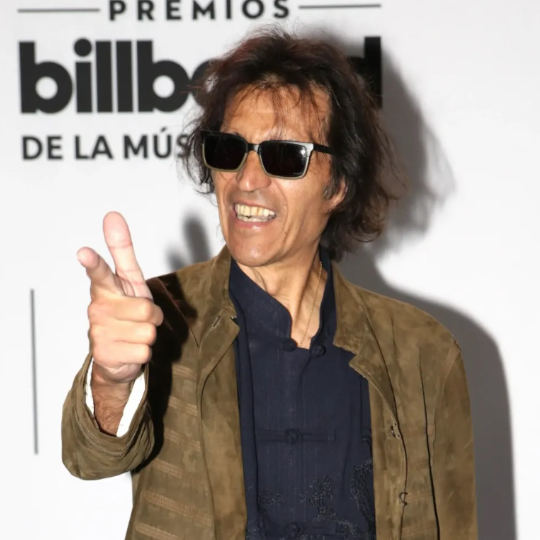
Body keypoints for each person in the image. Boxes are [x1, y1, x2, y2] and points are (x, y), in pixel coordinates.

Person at [61, 27, 478, 540]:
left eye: (284, 156)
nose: (248, 179)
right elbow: (89, 456)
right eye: (229, 150)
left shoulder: (422, 354)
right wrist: (112, 380)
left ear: (338, 184)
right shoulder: (163, 319)